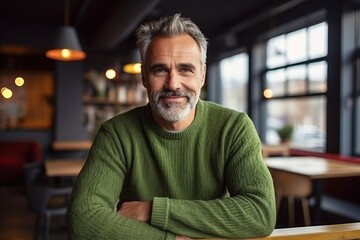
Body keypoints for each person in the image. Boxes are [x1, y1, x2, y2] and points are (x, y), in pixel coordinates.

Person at [67, 13, 276, 240]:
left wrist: (153, 210)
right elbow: (83, 221)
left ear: (202, 75)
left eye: (185, 69)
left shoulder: (234, 128)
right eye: (160, 70)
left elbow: (260, 213)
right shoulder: (116, 134)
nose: (173, 84)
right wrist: (171, 239)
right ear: (145, 77)